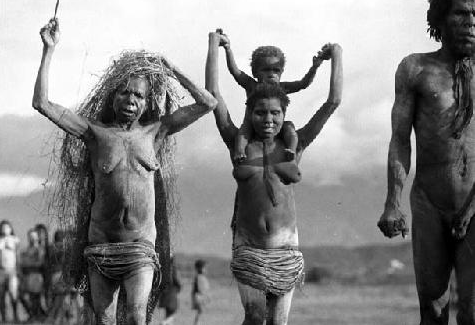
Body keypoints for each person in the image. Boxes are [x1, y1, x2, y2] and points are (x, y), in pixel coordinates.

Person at [33, 18, 217, 325]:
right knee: (103, 320)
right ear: (112, 97)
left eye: (138, 96)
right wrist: (48, 50)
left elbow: (208, 102)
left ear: (146, 104)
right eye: (124, 93)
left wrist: (171, 70)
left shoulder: (156, 133)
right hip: (101, 246)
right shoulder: (94, 133)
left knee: (135, 317)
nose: (130, 100)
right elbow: (41, 103)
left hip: (140, 248)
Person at [206, 30, 342, 324]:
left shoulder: (297, 143)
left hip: (285, 251)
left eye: (275, 113)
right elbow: (213, 96)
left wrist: (336, 56)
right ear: (250, 113)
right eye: (260, 113)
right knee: (254, 317)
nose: (268, 119)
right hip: (248, 246)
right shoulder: (238, 143)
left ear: (284, 115)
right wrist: (213, 46)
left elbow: (332, 102)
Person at [378, 0, 475, 323]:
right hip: (429, 202)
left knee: (473, 311)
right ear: (441, 17)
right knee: (432, 309)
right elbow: (400, 139)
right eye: (462, 14)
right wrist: (393, 202)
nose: (471, 23)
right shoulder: (415, 68)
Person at [217, 29, 328, 163]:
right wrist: (227, 48)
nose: (271, 74)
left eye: (276, 70)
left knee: (290, 129)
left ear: (281, 72)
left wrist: (315, 66)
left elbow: (303, 84)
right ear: (255, 72)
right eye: (266, 70)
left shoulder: (282, 87)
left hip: (276, 126)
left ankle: (291, 150)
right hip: (253, 124)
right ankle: (240, 153)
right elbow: (235, 71)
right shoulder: (252, 85)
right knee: (243, 132)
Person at [0, 220, 20, 322]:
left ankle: (15, 315)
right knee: (0, 295)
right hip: (0, 271)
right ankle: (3, 316)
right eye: (3, 227)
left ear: (10, 229)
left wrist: (18, 269)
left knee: (13, 294)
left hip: (11, 271)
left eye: (7, 227)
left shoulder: (15, 240)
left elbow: (17, 255)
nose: (5, 229)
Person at [20, 228, 46, 321]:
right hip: (27, 275)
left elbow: (40, 263)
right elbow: (22, 262)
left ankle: (36, 316)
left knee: (35, 297)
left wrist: (29, 263)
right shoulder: (26, 250)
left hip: (36, 275)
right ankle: (32, 314)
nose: (32, 238)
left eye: (34, 236)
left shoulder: (40, 249)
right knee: (24, 296)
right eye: (30, 236)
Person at [158, 256, 181, 325]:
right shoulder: (173, 269)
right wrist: (179, 286)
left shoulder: (162, 269)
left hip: (164, 294)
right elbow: (176, 280)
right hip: (172, 293)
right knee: (172, 314)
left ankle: (165, 322)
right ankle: (163, 323)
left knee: (168, 314)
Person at [191, 259, 210, 325]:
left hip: (199, 297)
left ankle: (197, 323)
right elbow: (201, 289)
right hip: (199, 298)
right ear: (200, 268)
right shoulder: (199, 277)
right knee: (200, 312)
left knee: (200, 313)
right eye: (204, 268)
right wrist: (205, 297)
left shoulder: (200, 277)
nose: (206, 269)